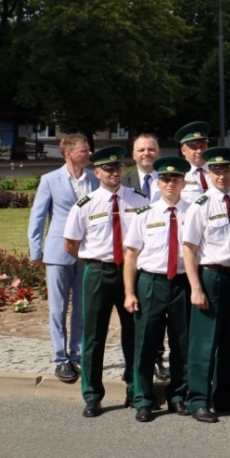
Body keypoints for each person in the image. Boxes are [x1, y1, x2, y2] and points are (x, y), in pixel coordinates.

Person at [64, 146, 147, 416]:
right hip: (99, 273)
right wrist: (94, 260)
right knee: (93, 336)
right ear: (96, 172)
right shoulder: (85, 205)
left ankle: (135, 389)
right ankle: (92, 395)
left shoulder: (138, 200)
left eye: (117, 168)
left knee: (134, 333)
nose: (114, 172)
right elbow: (71, 244)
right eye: (107, 169)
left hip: (132, 273)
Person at [121, 155, 192, 420]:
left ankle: (178, 395)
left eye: (175, 179)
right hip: (151, 282)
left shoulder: (192, 212)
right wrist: (129, 292)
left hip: (182, 283)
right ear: (158, 182)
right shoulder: (144, 214)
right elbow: (131, 256)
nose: (170, 183)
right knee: (146, 342)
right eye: (165, 179)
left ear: (183, 182)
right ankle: (143, 398)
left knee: (181, 342)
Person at [179, 147, 230, 423]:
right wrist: (195, 287)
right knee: (204, 342)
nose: (222, 175)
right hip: (211, 276)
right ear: (208, 174)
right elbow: (188, 249)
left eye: (227, 170)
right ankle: (197, 399)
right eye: (216, 171)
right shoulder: (200, 206)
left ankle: (223, 395)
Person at [29, 133, 98, 385]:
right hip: (58, 253)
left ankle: (77, 354)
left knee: (82, 307)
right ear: (68, 153)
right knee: (57, 309)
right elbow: (37, 217)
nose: (89, 153)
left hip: (86, 252)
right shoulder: (50, 180)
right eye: (84, 150)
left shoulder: (94, 179)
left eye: (88, 149)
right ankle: (61, 360)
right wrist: (36, 251)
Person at [177, 122, 212, 203]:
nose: (199, 151)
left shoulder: (218, 171)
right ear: (183, 150)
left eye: (202, 146)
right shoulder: (178, 174)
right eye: (194, 148)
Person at [123, 133, 162, 201]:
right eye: (141, 150)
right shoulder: (123, 181)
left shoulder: (170, 179)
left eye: (151, 149)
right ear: (134, 155)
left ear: (159, 153)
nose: (146, 153)